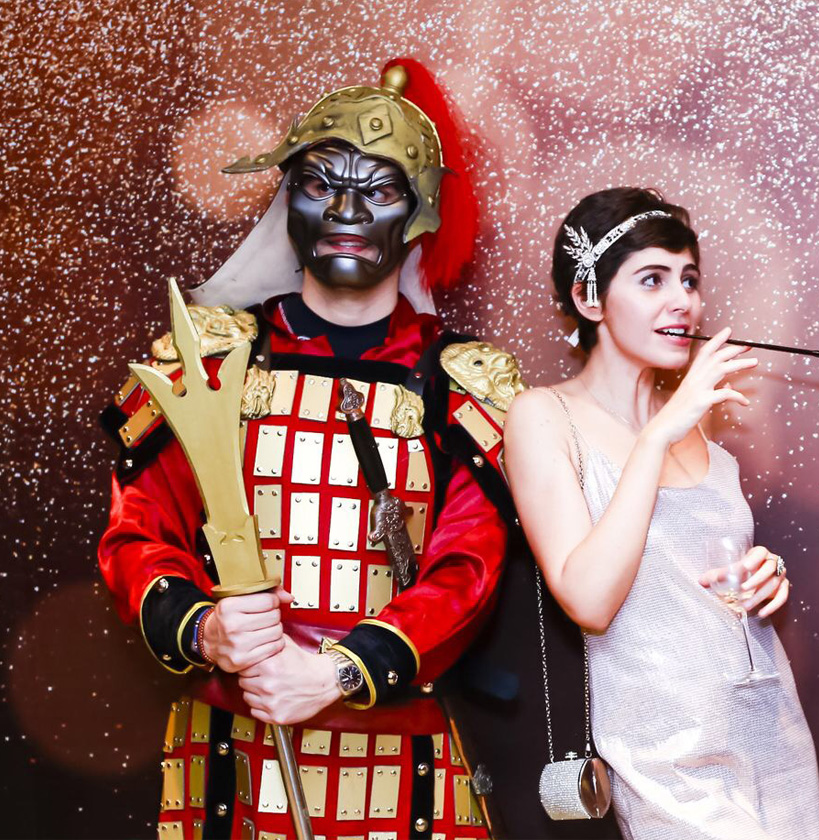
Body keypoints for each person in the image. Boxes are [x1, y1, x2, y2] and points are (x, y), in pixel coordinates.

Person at [97, 59, 520, 839]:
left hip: (398, 763)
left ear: (419, 212)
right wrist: (203, 628)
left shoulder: (459, 383)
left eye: (380, 190)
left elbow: (468, 567)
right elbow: (139, 531)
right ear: (288, 197)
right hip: (230, 756)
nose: (346, 211)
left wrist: (337, 671)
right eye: (321, 183)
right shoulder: (212, 360)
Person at [501, 187, 819, 840]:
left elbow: (693, 583)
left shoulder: (709, 442)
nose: (684, 301)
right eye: (653, 279)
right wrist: (656, 437)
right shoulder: (543, 416)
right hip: (663, 752)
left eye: (690, 279)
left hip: (771, 733)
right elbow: (588, 599)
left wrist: (767, 575)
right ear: (590, 298)